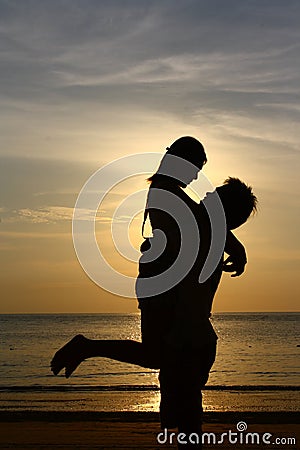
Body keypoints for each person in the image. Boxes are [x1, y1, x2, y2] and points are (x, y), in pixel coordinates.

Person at [51, 137, 256, 446]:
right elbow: (207, 218)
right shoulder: (168, 194)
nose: (199, 177)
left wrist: (234, 245)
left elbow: (209, 220)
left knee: (164, 364)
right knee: (164, 363)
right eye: (197, 166)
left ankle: (88, 348)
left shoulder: (182, 202)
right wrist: (237, 246)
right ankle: (87, 347)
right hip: (162, 292)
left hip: (169, 294)